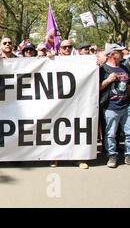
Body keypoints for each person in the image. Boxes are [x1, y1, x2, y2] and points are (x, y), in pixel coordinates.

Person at [50, 39, 89, 169]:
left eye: (69, 47)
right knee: (56, 129)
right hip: (56, 102)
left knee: (76, 128)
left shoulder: (81, 62)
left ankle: (78, 158)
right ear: (59, 49)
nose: (67, 49)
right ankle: (55, 157)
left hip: (75, 101)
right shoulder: (52, 61)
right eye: (64, 47)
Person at [100, 43, 130, 168]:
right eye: (119, 52)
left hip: (126, 105)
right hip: (110, 107)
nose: (123, 54)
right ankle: (112, 155)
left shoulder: (125, 68)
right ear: (113, 54)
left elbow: (128, 86)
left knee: (129, 132)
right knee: (110, 134)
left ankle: (128, 154)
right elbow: (96, 88)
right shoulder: (102, 69)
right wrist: (108, 81)